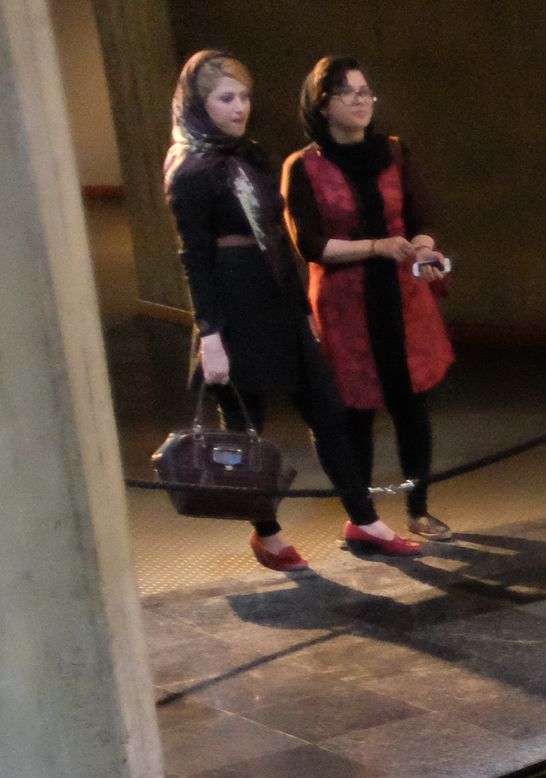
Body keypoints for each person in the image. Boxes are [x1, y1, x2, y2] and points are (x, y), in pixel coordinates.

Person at [165, 49, 424, 570]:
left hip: (276, 300)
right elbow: (194, 259)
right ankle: (268, 534)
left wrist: (301, 308)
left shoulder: (248, 155)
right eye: (225, 98)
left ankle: (364, 518)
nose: (239, 108)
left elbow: (278, 239)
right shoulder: (190, 168)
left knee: (328, 412)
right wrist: (210, 333)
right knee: (245, 429)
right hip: (234, 307)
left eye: (244, 96)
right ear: (198, 102)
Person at [284, 57, 456, 540]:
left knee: (411, 404)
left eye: (366, 92)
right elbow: (311, 245)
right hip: (346, 303)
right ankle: (363, 519)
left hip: (402, 296)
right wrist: (378, 247)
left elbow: (421, 217)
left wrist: (424, 247)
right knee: (355, 410)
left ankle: (418, 508)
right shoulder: (303, 167)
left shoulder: (394, 152)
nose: (361, 101)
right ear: (322, 105)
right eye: (348, 93)